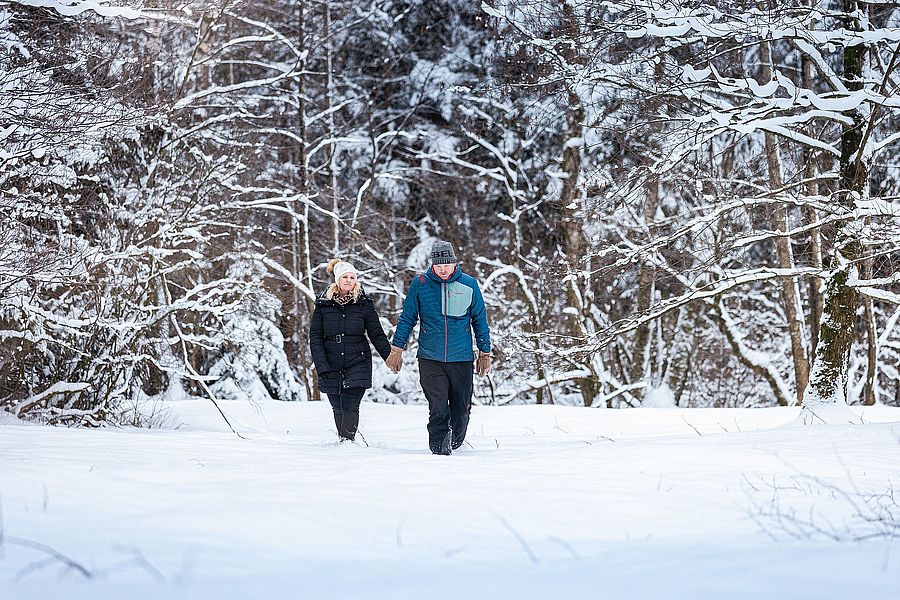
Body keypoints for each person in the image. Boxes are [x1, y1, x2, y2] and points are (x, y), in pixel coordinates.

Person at [386, 240, 491, 455]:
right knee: (438, 405)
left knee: (460, 410)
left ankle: (456, 439)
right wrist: (397, 349)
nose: (443, 269)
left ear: (454, 263)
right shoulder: (421, 284)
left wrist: (485, 352)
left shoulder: (469, 285)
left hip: (461, 357)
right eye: (439, 265)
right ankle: (439, 449)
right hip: (430, 357)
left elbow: (479, 320)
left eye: (447, 264)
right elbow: (407, 318)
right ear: (433, 264)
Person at [309, 258, 392, 442]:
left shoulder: (364, 303)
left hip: (358, 360)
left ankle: (349, 442)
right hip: (330, 361)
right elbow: (315, 337)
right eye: (345, 277)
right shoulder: (323, 304)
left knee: (350, 404)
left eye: (352, 277)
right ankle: (343, 443)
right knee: (337, 406)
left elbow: (376, 333)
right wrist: (321, 366)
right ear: (337, 280)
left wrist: (389, 356)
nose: (349, 280)